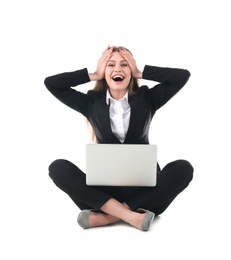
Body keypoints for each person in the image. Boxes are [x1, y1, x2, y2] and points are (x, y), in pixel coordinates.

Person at [44, 46, 193, 231]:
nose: (117, 69)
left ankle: (108, 218)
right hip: (103, 195)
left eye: (125, 64)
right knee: (57, 167)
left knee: (184, 168)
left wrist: (141, 72)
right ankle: (131, 216)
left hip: (145, 195)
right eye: (110, 64)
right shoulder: (90, 102)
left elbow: (182, 76)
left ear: (131, 71)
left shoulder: (148, 98)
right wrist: (93, 74)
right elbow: (52, 83)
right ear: (104, 72)